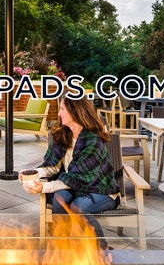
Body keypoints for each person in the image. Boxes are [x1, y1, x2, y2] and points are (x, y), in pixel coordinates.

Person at [21, 95, 119, 249]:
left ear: (75, 112)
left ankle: (102, 249)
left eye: (62, 109)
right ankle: (61, 245)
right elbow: (53, 167)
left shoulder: (93, 141)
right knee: (60, 197)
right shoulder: (63, 134)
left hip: (100, 189)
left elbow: (79, 178)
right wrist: (33, 174)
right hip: (73, 186)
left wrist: (44, 187)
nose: (59, 113)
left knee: (78, 207)